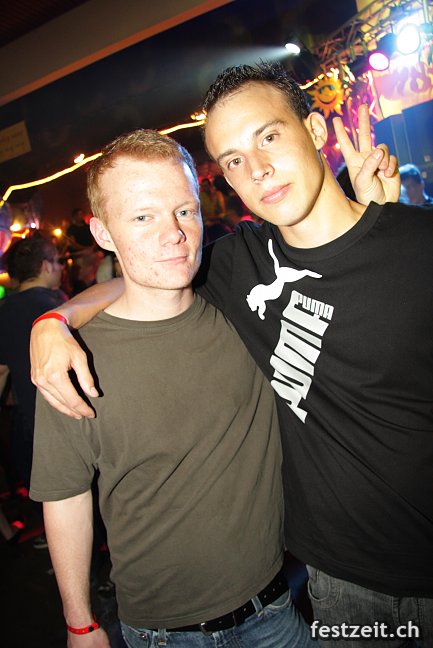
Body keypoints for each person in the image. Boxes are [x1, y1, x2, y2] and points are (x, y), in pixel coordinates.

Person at [29, 62, 429, 646]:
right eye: (234, 160)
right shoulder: (237, 266)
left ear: (315, 130)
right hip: (338, 583)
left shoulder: (415, 248)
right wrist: (52, 319)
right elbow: (153, 273)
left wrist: (380, 222)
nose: (257, 167)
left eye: (269, 136)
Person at [29, 129, 315, 647]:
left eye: (185, 211)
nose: (175, 234)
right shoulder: (72, 360)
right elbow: (66, 497)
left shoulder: (242, 308)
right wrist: (79, 621)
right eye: (143, 217)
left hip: (276, 607)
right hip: (163, 633)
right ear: (103, 233)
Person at [0, 236, 66, 548]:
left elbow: (2, 371)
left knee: (52, 495)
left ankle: (60, 544)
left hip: (32, 422)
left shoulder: (5, 310)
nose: (61, 268)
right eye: (58, 261)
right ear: (44, 266)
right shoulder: (60, 306)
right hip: (68, 419)